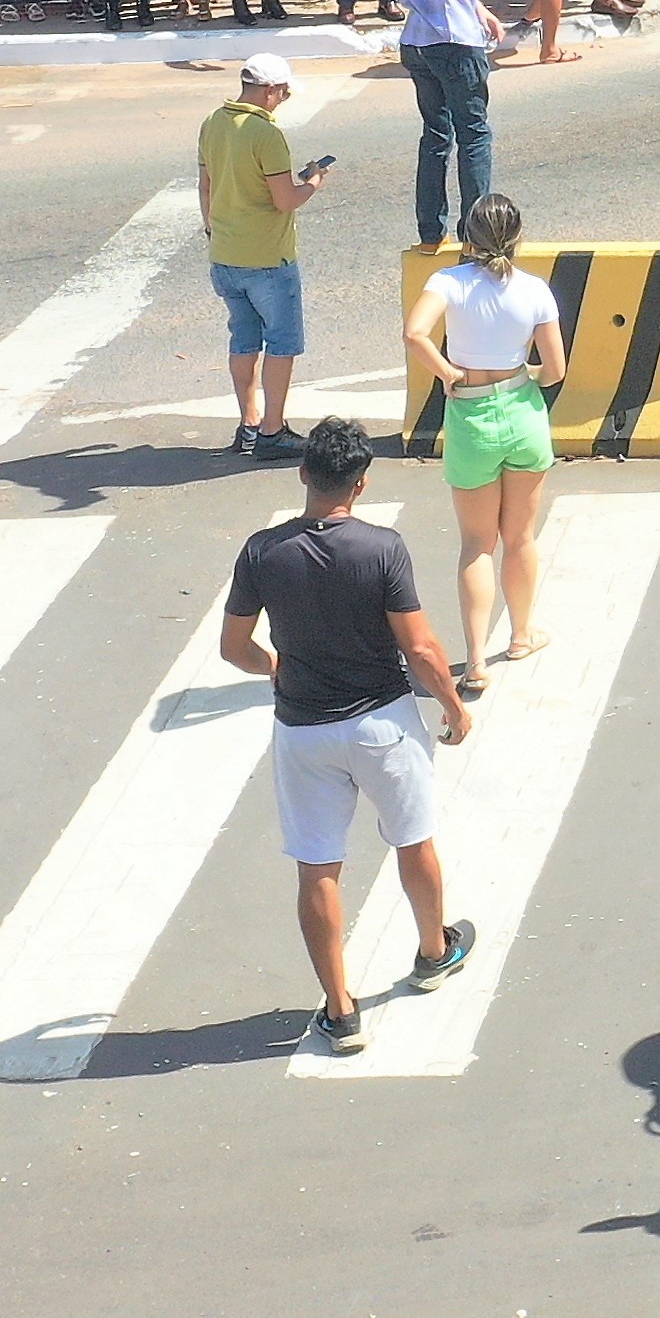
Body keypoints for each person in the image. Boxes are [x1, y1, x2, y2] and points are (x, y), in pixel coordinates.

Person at [223, 416, 474, 1056]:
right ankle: (432, 950)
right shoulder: (382, 548)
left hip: (303, 731)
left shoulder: (262, 551)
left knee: (318, 868)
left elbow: (234, 649)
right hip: (384, 724)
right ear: (360, 485)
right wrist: (452, 703)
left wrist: (274, 665)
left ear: (304, 473)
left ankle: (340, 1011)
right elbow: (418, 646)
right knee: (414, 842)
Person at [398, 191, 569, 692]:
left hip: (470, 414)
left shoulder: (448, 282)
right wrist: (528, 376)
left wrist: (449, 372)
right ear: (517, 237)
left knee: (477, 544)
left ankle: (475, 661)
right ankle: (519, 635)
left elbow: (415, 333)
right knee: (520, 537)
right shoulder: (535, 290)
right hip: (522, 412)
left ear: (468, 236)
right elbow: (555, 370)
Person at [201, 52, 327, 458]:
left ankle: (248, 423)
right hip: (268, 260)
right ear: (270, 91)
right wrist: (313, 183)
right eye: (284, 92)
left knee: (243, 339)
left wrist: (212, 230)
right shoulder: (265, 135)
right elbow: (285, 200)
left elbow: (205, 185)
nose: (285, 98)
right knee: (282, 343)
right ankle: (273, 430)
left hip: (224, 255)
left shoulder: (213, 123)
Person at [399, 0, 499, 248]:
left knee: (437, 135)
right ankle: (475, 238)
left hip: (432, 35)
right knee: (473, 134)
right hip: (449, 42)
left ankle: (431, 234)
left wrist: (477, 7)